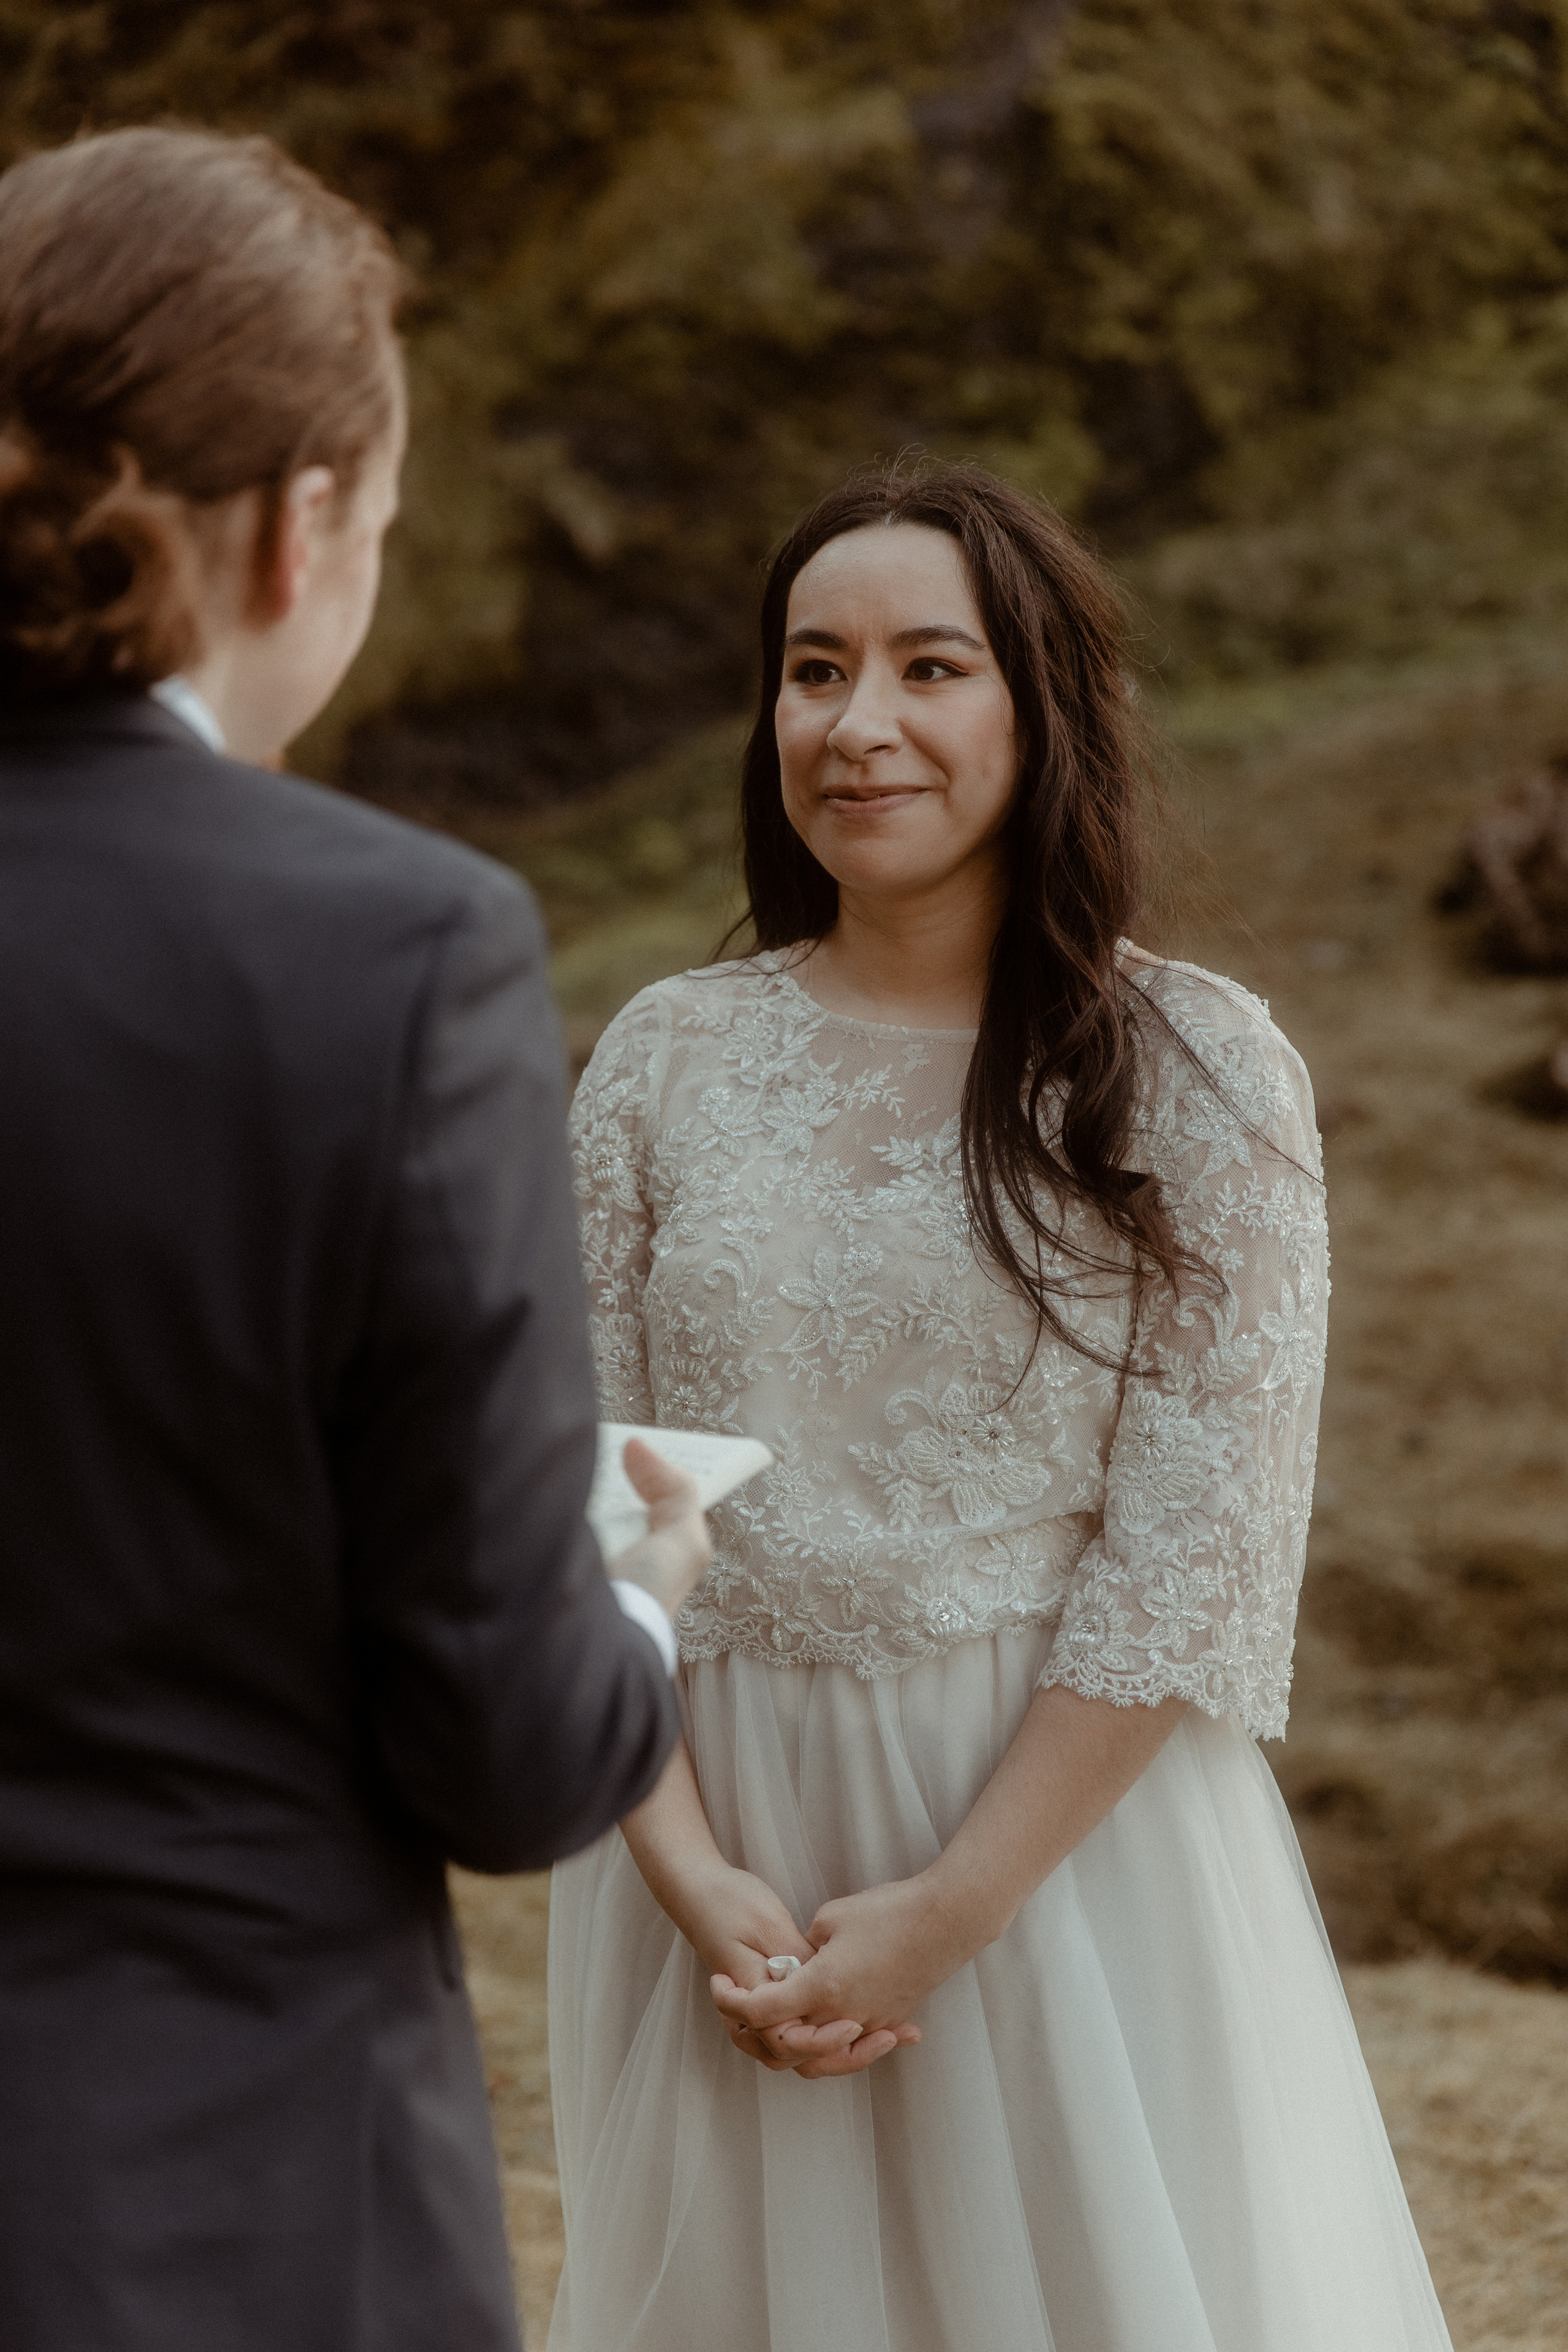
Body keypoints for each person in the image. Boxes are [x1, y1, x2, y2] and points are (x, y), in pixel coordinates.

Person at [549, 464, 1455, 2350]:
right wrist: (690, 1863)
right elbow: (606, 1502)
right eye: (813, 670)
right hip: (718, 1851)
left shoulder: (1196, 1069)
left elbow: (1195, 1552)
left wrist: (955, 1907)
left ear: (1042, 710)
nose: (857, 724)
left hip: (1054, 1851)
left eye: (928, 667)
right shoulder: (664, 1060)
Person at [0, 126, 709, 2352]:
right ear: (300, 523)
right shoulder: (384, 954)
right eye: (383, 525)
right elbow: (509, 1744)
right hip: (203, 2186)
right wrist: (633, 1598)